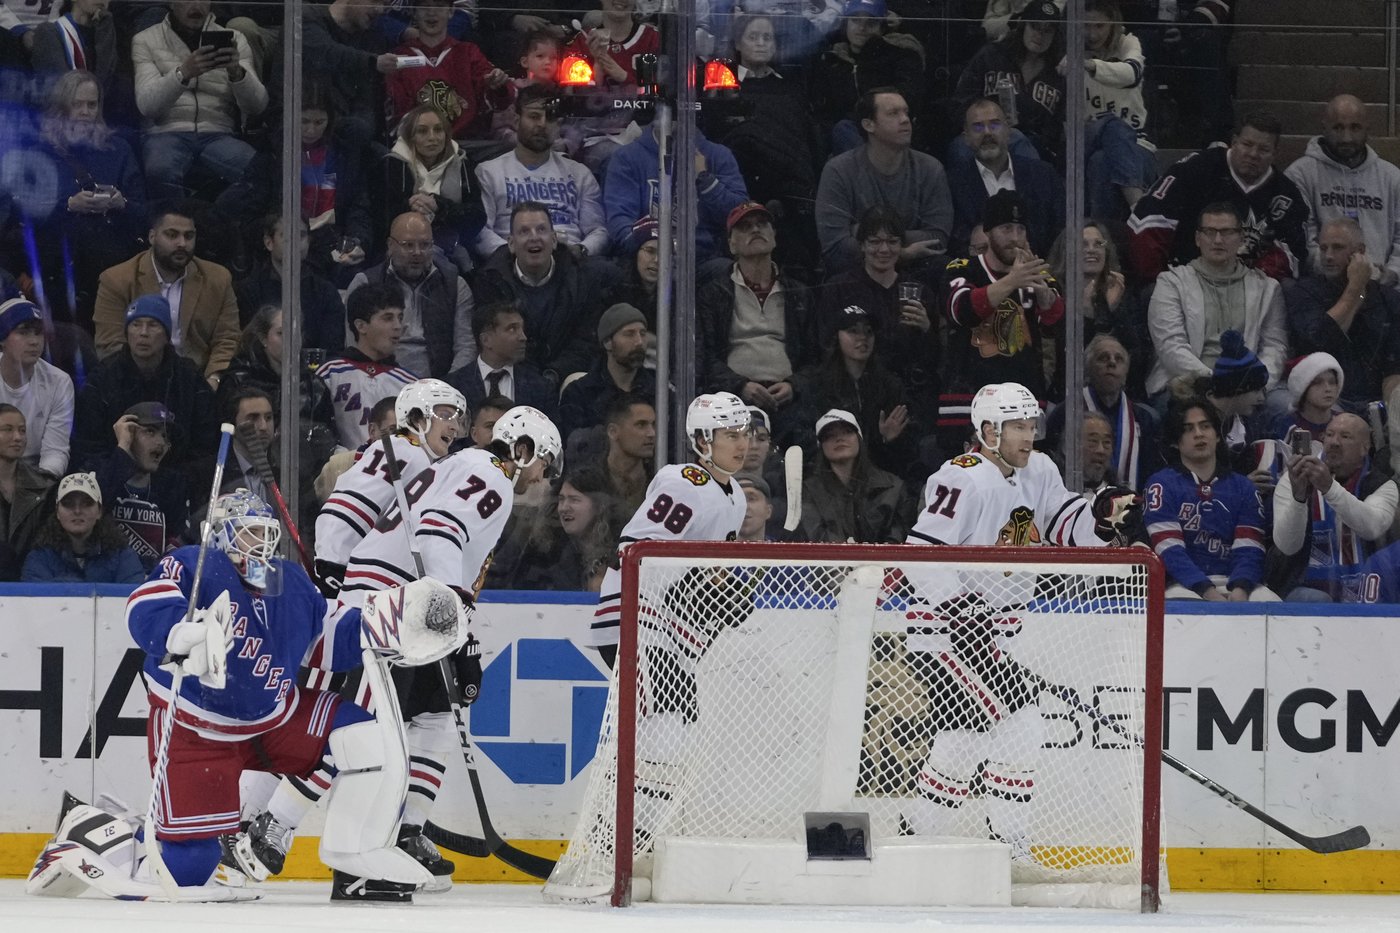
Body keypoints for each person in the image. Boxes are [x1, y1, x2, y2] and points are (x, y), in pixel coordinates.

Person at [34, 488, 465, 900]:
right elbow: (146, 601)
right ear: (221, 534)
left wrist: (383, 626)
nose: (260, 542)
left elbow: (325, 636)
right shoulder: (195, 564)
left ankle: (356, 851)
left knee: (359, 733)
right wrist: (175, 630)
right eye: (248, 532)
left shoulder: (286, 580)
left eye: (265, 532)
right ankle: (88, 827)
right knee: (188, 868)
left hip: (275, 720)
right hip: (199, 729)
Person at [237, 408, 559, 899]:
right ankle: (274, 825)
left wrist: (455, 623)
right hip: (394, 603)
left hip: (404, 599)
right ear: (523, 450)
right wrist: (452, 621)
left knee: (428, 717)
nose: (543, 478)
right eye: (544, 464)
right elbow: (438, 533)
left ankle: (399, 833)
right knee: (362, 729)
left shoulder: (466, 464)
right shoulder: (492, 476)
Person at [899, 382, 1141, 855]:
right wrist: (959, 609)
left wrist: (1100, 517)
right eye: (1017, 427)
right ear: (989, 431)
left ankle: (917, 834)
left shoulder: (1040, 470)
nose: (1029, 435)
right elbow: (918, 553)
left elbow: (1065, 526)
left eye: (1031, 425)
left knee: (964, 738)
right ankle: (1010, 842)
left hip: (993, 634)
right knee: (1024, 721)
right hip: (946, 634)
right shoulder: (961, 478)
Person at [589, 393, 750, 666]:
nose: (743, 444)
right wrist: (690, 587)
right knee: (663, 698)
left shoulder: (736, 495)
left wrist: (721, 588)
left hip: (672, 633)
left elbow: (711, 570)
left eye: (745, 434)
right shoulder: (685, 484)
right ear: (703, 441)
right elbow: (634, 550)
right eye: (732, 435)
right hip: (635, 620)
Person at [314, 378, 465, 595]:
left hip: (329, 553)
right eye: (444, 415)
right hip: (351, 566)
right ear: (417, 418)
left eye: (457, 419)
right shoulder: (417, 458)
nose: (454, 427)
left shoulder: (385, 447)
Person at [939, 190, 1063, 452]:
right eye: (1006, 228)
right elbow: (960, 309)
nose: (1015, 237)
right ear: (988, 231)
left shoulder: (1037, 275)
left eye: (1020, 229)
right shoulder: (962, 268)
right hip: (966, 401)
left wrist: (1043, 292)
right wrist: (1012, 281)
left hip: (1024, 401)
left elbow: (1058, 325)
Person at [1128, 110, 1309, 282]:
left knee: (1289, 288)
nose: (1253, 154)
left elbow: (1295, 254)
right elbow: (1148, 221)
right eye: (1247, 145)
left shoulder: (1286, 195)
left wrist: (1252, 281)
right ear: (1234, 142)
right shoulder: (1196, 169)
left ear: (1275, 153)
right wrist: (1159, 278)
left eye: (1263, 149)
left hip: (1250, 287)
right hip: (1183, 278)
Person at [30, 70, 146, 333]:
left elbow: (143, 210)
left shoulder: (119, 149)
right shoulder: (41, 153)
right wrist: (68, 205)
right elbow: (22, 213)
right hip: (60, 264)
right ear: (61, 108)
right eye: (77, 104)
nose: (85, 112)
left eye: (91, 105)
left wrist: (121, 202)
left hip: (115, 258)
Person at [696, 201, 819, 439]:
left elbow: (816, 359)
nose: (755, 230)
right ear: (731, 244)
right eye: (745, 227)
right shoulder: (712, 294)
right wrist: (739, 386)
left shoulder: (799, 293)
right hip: (732, 400)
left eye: (762, 224)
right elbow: (705, 358)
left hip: (789, 401)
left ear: (774, 236)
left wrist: (794, 385)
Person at [817, 205, 940, 436]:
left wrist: (926, 328)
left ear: (902, 246)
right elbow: (825, 347)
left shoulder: (920, 291)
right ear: (862, 245)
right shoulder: (839, 288)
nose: (884, 249)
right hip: (857, 393)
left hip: (912, 395)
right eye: (874, 242)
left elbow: (936, 357)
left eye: (892, 241)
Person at [1145, 203, 1287, 400]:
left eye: (1227, 232)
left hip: (1248, 388)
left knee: (1283, 405)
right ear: (1198, 238)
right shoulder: (1171, 283)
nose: (1218, 240)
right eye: (1209, 232)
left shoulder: (1267, 288)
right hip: (1186, 385)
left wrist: (1253, 384)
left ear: (1241, 239)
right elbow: (1170, 346)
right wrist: (1218, 384)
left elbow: (1274, 348)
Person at [131, 0, 267, 206]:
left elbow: (257, 106)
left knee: (260, 172)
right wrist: (183, 73)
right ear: (172, 3)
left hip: (218, 131)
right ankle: (173, 224)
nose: (196, 5)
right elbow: (147, 106)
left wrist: (237, 73)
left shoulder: (235, 38)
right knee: (160, 169)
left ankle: (214, 220)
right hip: (166, 131)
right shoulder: (146, 40)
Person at [92, 203, 242, 384]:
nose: (182, 243)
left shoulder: (218, 278)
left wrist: (215, 378)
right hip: (138, 379)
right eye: (172, 235)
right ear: (152, 237)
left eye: (189, 236)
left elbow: (228, 339)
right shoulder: (116, 280)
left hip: (201, 380)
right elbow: (110, 345)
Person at [1144, 398, 1276, 600]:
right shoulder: (1160, 485)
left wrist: (1241, 589)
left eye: (1205, 426)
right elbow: (1169, 550)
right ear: (1175, 442)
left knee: (1270, 602)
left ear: (1217, 435)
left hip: (1237, 583)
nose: (1199, 434)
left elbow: (1250, 548)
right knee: (1183, 604)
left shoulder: (1244, 487)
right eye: (1188, 429)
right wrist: (1208, 591)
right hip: (1181, 585)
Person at [473, 201, 615, 386]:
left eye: (541, 230)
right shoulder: (491, 281)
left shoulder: (582, 279)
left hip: (566, 377)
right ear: (511, 244)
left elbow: (584, 343)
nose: (534, 237)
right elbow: (498, 345)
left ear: (554, 240)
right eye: (524, 231)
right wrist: (534, 382)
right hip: (514, 377)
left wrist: (554, 374)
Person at [72, 295, 219, 472]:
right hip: (116, 476)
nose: (143, 332)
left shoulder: (189, 376)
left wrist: (179, 479)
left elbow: (205, 442)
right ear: (127, 333)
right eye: (136, 324)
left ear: (167, 335)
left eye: (153, 325)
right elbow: (89, 445)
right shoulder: (103, 377)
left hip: (178, 477)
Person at [814, 88, 952, 271]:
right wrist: (901, 253)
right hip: (856, 274)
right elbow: (835, 247)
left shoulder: (930, 168)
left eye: (906, 112)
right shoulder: (838, 170)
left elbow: (938, 238)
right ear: (868, 125)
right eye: (893, 113)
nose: (905, 119)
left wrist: (862, 232)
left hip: (917, 271)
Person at [1271, 411, 1399, 602]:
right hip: (1302, 588)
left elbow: (1371, 528)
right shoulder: (1293, 479)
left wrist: (1329, 488)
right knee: (1317, 599)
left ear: (1365, 448)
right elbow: (1287, 546)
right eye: (1329, 435)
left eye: (1345, 436)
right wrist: (1299, 499)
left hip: (1370, 592)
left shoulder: (1383, 485)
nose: (1334, 442)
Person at [474, 85, 608, 260]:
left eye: (550, 118)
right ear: (516, 120)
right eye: (534, 116)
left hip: (570, 261)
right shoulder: (489, 172)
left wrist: (580, 250)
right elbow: (481, 233)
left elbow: (597, 231)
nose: (542, 124)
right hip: (510, 262)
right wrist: (515, 255)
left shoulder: (580, 174)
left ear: (558, 125)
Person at [1284, 218, 1400, 409]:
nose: (1328, 256)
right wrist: (1355, 287)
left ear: (1360, 251)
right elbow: (1321, 341)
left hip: (1377, 400)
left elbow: (1394, 367)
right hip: (1321, 400)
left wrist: (1390, 413)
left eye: (1337, 248)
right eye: (1323, 248)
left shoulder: (1389, 298)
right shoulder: (1304, 291)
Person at [1285, 94, 1400, 286]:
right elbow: (1302, 240)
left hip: (1382, 287)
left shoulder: (1392, 177)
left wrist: (1392, 273)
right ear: (1324, 128)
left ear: (1367, 128)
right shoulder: (1300, 174)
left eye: (1355, 128)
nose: (1347, 138)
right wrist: (1340, 272)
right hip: (1321, 287)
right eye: (1338, 128)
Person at [347, 211, 476, 380]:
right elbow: (354, 346)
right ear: (390, 246)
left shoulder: (455, 285)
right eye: (408, 245)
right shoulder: (365, 283)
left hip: (439, 383)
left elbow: (466, 347)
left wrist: (446, 387)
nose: (417, 252)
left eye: (425, 245)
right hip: (380, 381)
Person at [604, 122, 749, 262]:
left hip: (702, 258)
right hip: (646, 256)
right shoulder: (627, 157)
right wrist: (643, 247)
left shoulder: (718, 155)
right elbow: (619, 218)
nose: (674, 117)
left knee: (722, 269)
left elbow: (740, 214)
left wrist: (704, 178)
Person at [801, 304, 912, 475]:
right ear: (836, 336)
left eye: (868, 331)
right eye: (853, 331)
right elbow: (807, 440)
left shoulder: (889, 385)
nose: (862, 338)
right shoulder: (818, 384)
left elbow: (907, 453)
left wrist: (888, 440)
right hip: (830, 475)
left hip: (880, 475)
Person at [954, 0, 1065, 167]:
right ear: (1023, 25)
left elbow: (1057, 128)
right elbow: (962, 100)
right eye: (1035, 27)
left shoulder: (1058, 71)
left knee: (1020, 142)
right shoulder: (992, 55)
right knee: (960, 149)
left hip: (1033, 144)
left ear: (1055, 35)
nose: (1040, 35)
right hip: (984, 133)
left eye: (1047, 30)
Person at [1044, 334, 1162, 492]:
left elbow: (1151, 472)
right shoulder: (1065, 413)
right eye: (1103, 358)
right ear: (1088, 369)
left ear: (1126, 373)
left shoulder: (1144, 418)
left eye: (1119, 359)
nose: (1112, 363)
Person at [948, 97, 1062, 257]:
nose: (987, 132)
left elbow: (1060, 232)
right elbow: (957, 243)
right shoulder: (953, 183)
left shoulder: (1043, 174)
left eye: (994, 125)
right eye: (978, 127)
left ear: (1008, 131)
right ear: (966, 137)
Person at [1046, 220, 1149, 397]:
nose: (1092, 249)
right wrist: (1088, 313)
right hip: (1068, 397)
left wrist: (1112, 310)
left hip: (1122, 396)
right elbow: (1065, 360)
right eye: (1083, 244)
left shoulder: (1121, 293)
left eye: (1099, 244)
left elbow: (1137, 358)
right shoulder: (1052, 294)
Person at [808, 0, 925, 154]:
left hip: (889, 130)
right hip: (847, 137)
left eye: (871, 22)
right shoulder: (832, 61)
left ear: (882, 27)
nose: (862, 28)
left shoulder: (899, 55)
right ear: (846, 24)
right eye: (855, 20)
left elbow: (908, 97)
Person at [1075, 0, 1157, 218]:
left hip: (1136, 144)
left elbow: (1132, 73)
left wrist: (1091, 65)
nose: (1092, 34)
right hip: (1089, 139)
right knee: (1111, 124)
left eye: (1099, 26)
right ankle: (1139, 209)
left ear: (1113, 24)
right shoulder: (1070, 51)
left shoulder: (1128, 43)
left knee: (1101, 162)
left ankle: (1104, 231)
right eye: (1085, 25)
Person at [385, 0, 511, 140]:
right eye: (424, 7)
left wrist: (498, 85)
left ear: (451, 12)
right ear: (414, 13)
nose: (431, 13)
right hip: (419, 144)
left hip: (466, 144)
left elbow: (500, 101)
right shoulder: (399, 57)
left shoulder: (468, 52)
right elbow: (397, 112)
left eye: (439, 6)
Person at [383, 103, 486, 275]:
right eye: (422, 131)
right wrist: (410, 207)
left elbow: (477, 218)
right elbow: (382, 219)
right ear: (410, 136)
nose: (432, 137)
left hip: (453, 247)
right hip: (406, 250)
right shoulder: (392, 164)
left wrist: (439, 205)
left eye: (438, 130)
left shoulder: (461, 163)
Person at [317, 283, 419, 451]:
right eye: (388, 318)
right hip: (341, 466)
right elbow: (317, 434)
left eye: (400, 318)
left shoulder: (412, 385)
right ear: (361, 326)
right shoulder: (329, 374)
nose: (398, 326)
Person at [487, 465, 621, 591]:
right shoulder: (545, 550)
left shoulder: (619, 551)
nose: (564, 508)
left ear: (599, 507)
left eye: (574, 500)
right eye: (561, 499)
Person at [91, 401, 190, 569]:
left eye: (165, 436)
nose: (160, 442)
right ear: (127, 433)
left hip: (154, 579)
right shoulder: (99, 472)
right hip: (105, 577)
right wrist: (123, 448)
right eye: (150, 431)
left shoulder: (172, 484)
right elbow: (93, 511)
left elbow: (179, 540)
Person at [799, 408, 915, 543]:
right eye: (829, 435)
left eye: (847, 432)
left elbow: (898, 538)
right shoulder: (808, 492)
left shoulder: (893, 488)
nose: (839, 438)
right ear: (821, 446)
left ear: (859, 439)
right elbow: (815, 538)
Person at [233, 215, 345, 351]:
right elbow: (249, 343)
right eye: (287, 236)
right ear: (269, 242)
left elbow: (332, 348)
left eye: (301, 235)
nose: (295, 243)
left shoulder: (325, 291)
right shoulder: (248, 290)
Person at [557, 302, 657, 446]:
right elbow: (576, 448)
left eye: (643, 333)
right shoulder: (579, 393)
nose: (639, 342)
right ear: (607, 342)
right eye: (629, 334)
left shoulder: (659, 391)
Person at [21, 470, 144, 582]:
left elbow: (135, 595)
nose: (77, 511)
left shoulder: (122, 555)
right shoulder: (40, 557)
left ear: (99, 511)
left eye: (87, 503)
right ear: (57, 512)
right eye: (68, 504)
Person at [0, 298, 74, 478]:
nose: (34, 341)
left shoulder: (59, 382)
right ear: (2, 339)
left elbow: (56, 450)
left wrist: (39, 486)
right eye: (23, 332)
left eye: (39, 333)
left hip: (36, 476)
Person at [445, 302, 556, 416]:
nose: (523, 337)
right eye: (512, 329)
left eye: (522, 329)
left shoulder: (541, 388)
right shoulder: (452, 387)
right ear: (486, 340)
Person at [0, 404, 58, 580]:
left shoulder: (46, 487)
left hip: (31, 581)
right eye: (7, 429)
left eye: (22, 430)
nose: (17, 437)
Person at [1274, 352, 1345, 444]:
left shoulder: (1345, 424)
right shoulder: (1286, 426)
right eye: (1317, 383)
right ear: (1302, 388)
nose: (1328, 388)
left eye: (1332, 382)